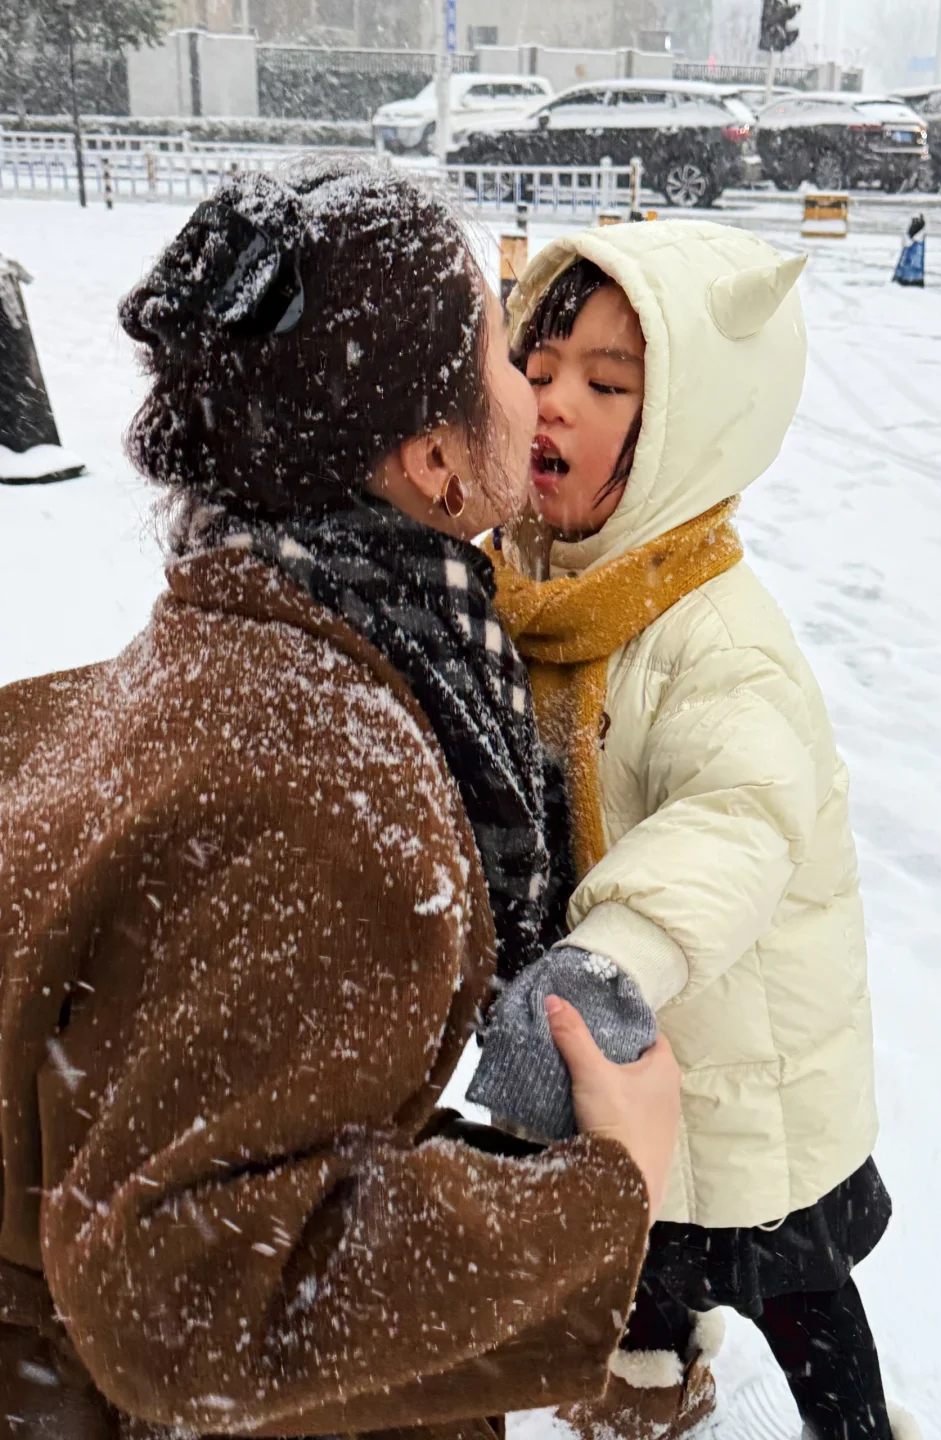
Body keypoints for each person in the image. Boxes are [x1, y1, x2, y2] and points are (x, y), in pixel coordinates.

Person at [0, 164, 683, 1439]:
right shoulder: (333, 792)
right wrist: (610, 1189)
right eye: (503, 348)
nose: (532, 387)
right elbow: (180, 1300)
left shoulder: (233, 652)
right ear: (436, 460)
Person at [467, 223, 918, 1440]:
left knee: (794, 1277)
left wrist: (606, 965)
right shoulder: (529, 586)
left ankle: (855, 1428)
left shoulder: (716, 635)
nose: (555, 402)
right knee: (640, 1236)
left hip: (735, 1047)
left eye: (609, 385)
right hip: (616, 1040)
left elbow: (738, 818)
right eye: (538, 366)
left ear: (689, 429)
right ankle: (648, 1381)